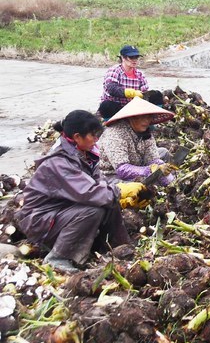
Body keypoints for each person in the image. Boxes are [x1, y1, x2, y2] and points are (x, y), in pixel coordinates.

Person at [16, 110, 137, 273]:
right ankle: (58, 257)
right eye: (92, 135)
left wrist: (122, 188)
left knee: (109, 200)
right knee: (93, 209)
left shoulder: (84, 155)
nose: (96, 140)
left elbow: (99, 184)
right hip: (41, 221)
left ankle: (117, 248)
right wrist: (120, 191)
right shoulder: (58, 163)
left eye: (97, 135)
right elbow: (89, 192)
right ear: (77, 137)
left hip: (62, 212)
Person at [98, 98, 177, 187]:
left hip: (136, 163)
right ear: (132, 117)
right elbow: (122, 169)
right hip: (113, 175)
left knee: (163, 153)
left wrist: (168, 178)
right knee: (137, 188)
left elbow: (152, 159)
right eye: (143, 117)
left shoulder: (145, 131)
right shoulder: (115, 133)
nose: (147, 121)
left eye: (149, 117)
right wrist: (150, 170)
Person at [99, 45, 149, 120]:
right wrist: (131, 93)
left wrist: (144, 95)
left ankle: (150, 125)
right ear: (123, 58)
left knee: (156, 95)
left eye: (136, 57)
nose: (134, 60)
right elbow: (112, 89)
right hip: (116, 106)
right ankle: (109, 126)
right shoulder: (114, 70)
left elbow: (145, 92)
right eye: (131, 57)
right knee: (106, 105)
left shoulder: (140, 74)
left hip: (132, 106)